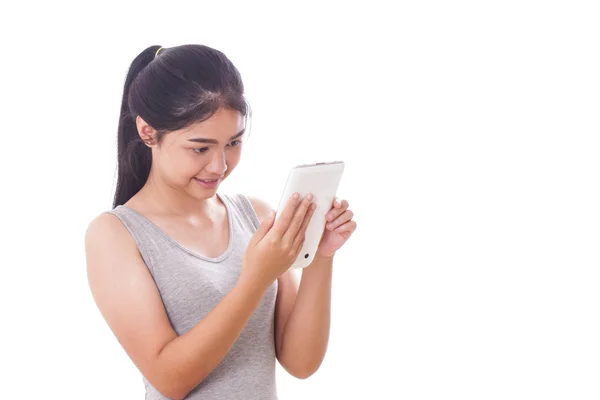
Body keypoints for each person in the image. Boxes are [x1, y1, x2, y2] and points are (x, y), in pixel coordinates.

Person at [84, 44, 357, 400]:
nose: (220, 165)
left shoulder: (254, 217)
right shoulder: (116, 235)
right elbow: (170, 379)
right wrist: (256, 278)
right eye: (200, 148)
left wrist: (320, 256)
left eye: (233, 143)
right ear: (148, 132)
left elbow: (301, 363)